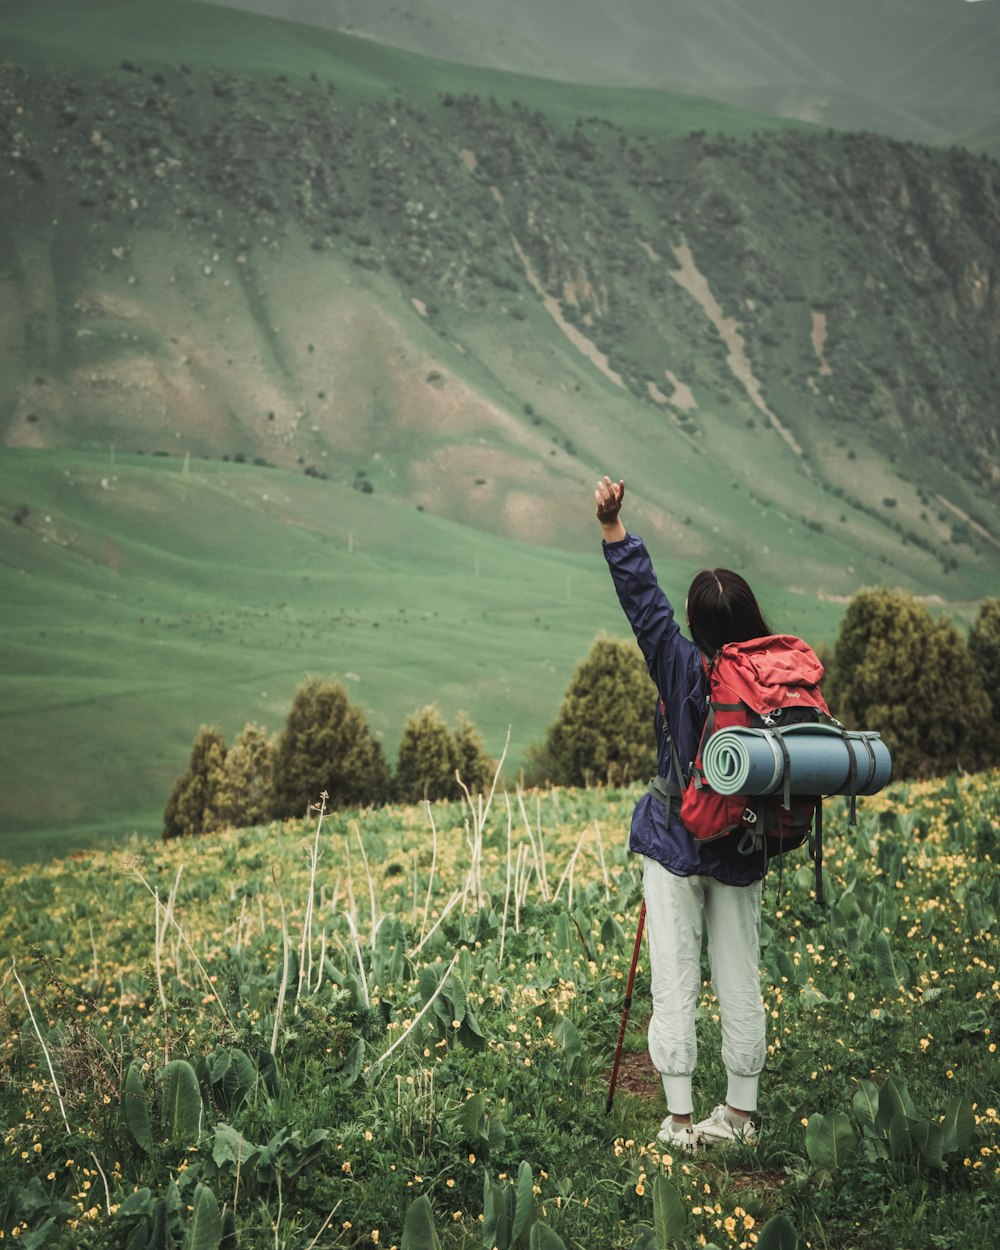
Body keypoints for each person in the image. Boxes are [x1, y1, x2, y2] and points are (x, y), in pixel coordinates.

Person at [595, 474, 771, 1153]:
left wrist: (613, 526)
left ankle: (677, 1120)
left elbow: (644, 604)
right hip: (745, 843)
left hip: (676, 839)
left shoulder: (680, 663)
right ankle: (741, 1116)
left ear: (696, 625)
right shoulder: (771, 674)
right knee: (739, 972)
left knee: (675, 974)